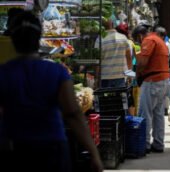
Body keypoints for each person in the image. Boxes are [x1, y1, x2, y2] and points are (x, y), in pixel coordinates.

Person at [0, 11, 103, 172]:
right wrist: (94, 153)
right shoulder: (56, 72)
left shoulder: (4, 73)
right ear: (39, 37)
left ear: (13, 39)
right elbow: (73, 113)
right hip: (52, 147)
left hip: (16, 149)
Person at [132, 25, 170, 153]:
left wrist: (137, 74)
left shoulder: (148, 40)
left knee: (145, 113)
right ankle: (158, 144)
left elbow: (143, 63)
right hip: (163, 80)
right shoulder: (159, 39)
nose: (139, 42)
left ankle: (145, 144)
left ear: (139, 35)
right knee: (158, 113)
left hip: (153, 81)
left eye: (138, 40)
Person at [97, 19, 132, 88]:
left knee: (106, 98)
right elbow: (129, 58)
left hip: (105, 78)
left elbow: (97, 61)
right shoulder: (123, 38)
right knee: (120, 98)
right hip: (120, 76)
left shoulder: (99, 39)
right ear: (113, 25)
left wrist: (97, 78)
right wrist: (130, 75)